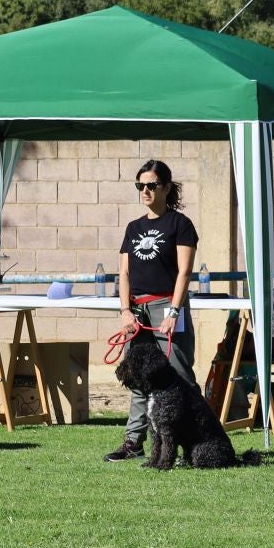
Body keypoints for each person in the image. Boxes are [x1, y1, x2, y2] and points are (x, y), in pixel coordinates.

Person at [107, 159, 199, 464]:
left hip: (167, 306)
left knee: (181, 374)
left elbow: (184, 272)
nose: (145, 190)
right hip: (137, 310)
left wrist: (173, 311)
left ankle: (194, 442)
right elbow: (124, 273)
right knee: (138, 376)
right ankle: (134, 441)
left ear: (166, 187)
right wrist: (125, 311)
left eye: (151, 185)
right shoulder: (134, 228)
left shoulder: (180, 225)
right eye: (140, 186)